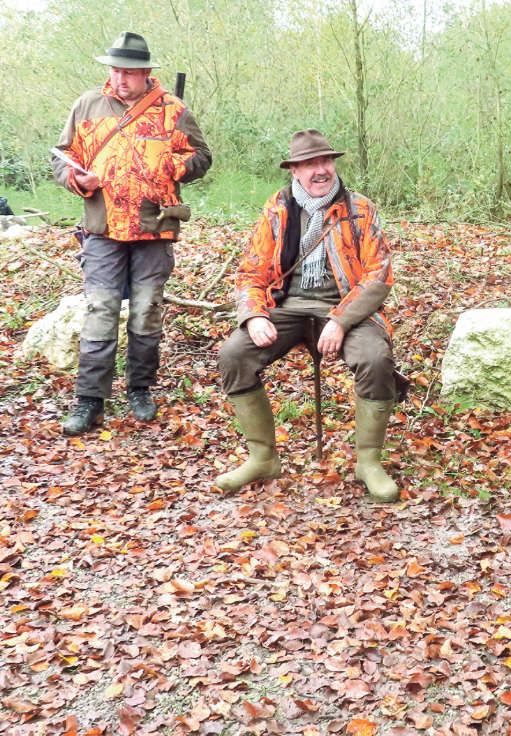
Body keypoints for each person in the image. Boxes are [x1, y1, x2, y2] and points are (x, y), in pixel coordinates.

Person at [214, 129, 400, 502]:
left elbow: (378, 276)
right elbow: (251, 272)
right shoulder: (277, 209)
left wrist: (341, 319)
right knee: (234, 355)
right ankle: (263, 457)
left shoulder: (360, 209)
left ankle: (368, 462)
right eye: (310, 164)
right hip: (289, 306)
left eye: (325, 161)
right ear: (295, 170)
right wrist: (254, 316)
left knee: (375, 359)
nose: (320, 170)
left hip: (347, 305)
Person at [53, 31, 211, 434]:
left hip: (153, 226)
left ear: (145, 73)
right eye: (115, 70)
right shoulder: (87, 105)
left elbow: (200, 157)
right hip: (102, 228)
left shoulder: (172, 110)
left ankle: (140, 388)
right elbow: (63, 158)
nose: (120, 79)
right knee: (100, 313)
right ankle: (89, 400)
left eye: (129, 72)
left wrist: (170, 166)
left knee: (145, 311)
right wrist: (78, 180)